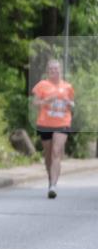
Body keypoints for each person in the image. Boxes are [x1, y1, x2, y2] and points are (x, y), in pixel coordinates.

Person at [31, 59, 75, 199]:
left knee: (56, 152)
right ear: (47, 71)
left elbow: (72, 104)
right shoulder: (42, 85)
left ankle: (53, 186)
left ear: (60, 70)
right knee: (48, 154)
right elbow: (35, 103)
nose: (54, 71)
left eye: (56, 69)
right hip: (45, 123)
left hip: (62, 123)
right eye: (51, 69)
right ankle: (51, 179)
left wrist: (70, 103)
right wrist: (46, 101)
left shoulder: (68, 87)